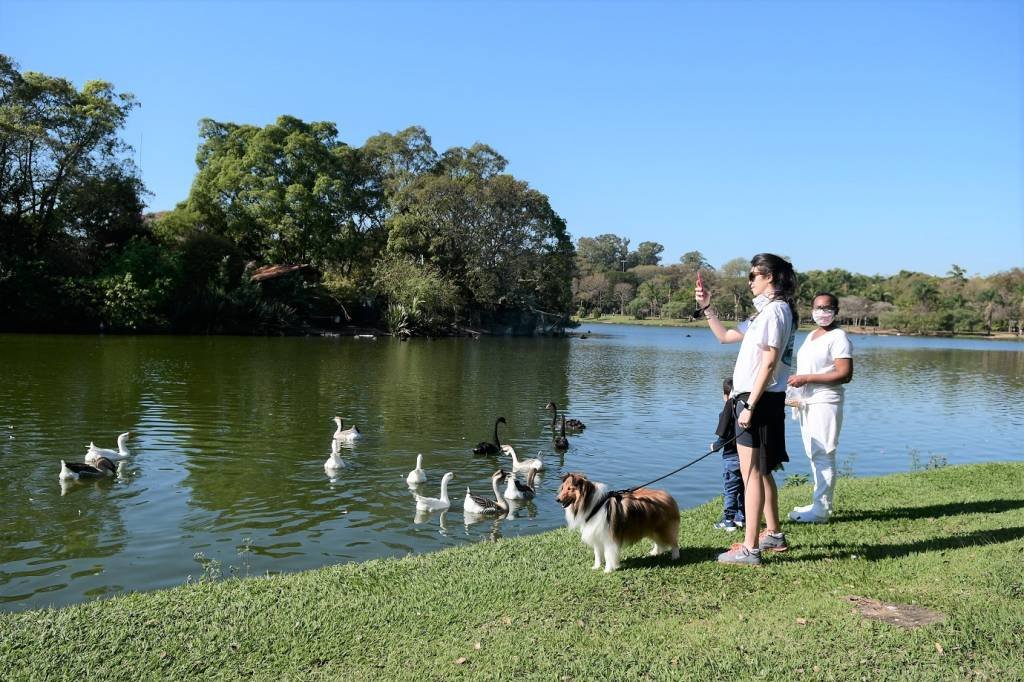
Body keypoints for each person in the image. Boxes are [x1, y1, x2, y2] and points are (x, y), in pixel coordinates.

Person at [695, 253, 797, 565]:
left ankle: (751, 548)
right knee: (761, 471)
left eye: (754, 275)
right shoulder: (762, 314)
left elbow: (769, 362)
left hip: (758, 400)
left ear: (772, 278)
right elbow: (726, 337)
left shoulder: (776, 312)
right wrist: (707, 307)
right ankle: (774, 533)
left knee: (750, 472)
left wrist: (750, 404)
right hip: (754, 398)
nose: (749, 281)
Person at [785, 292, 853, 523]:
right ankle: (818, 502)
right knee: (813, 453)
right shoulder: (813, 335)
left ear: (836, 310)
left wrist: (807, 379)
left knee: (824, 453)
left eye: (827, 308)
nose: (821, 312)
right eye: (817, 307)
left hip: (826, 401)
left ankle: (821, 510)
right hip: (807, 402)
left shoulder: (839, 337)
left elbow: (845, 374)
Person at [712, 377, 745, 532]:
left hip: (731, 459)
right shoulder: (744, 410)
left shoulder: (726, 412)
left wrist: (715, 446)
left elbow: (723, 437)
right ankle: (741, 518)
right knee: (743, 488)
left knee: (730, 490)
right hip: (746, 457)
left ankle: (728, 520)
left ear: (725, 395)